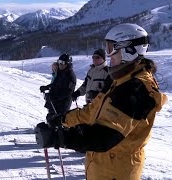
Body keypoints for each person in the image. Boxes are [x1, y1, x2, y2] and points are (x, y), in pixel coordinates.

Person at [35, 23, 167, 180]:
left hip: (116, 171)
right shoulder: (119, 80)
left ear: (129, 50)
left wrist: (59, 137)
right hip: (101, 166)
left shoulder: (136, 88)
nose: (108, 55)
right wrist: (63, 119)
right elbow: (92, 111)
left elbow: (105, 136)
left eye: (111, 48)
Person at [40, 54, 76, 118]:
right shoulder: (60, 73)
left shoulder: (70, 76)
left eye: (63, 62)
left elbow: (69, 92)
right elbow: (55, 84)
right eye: (59, 62)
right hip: (55, 101)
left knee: (59, 122)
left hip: (63, 104)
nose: (60, 64)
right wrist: (47, 87)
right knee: (50, 119)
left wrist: (55, 97)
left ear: (68, 64)